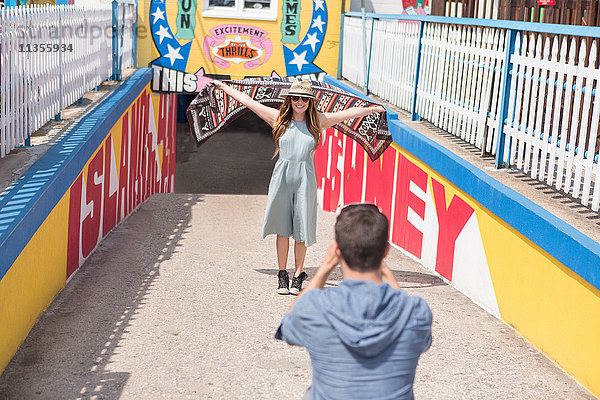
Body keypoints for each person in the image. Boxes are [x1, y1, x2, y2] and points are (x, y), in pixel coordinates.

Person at [210, 79, 385, 295]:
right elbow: (248, 101)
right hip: (282, 178)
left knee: (301, 230)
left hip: (305, 179)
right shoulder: (277, 119)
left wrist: (372, 108)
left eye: (304, 98)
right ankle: (282, 274)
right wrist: (224, 87)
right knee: (282, 229)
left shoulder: (318, 121)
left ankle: (298, 275)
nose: (299, 102)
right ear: (290, 100)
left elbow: (348, 114)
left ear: (310, 101)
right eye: (296, 98)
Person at [275, 204, 433, 400]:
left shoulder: (316, 307)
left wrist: (325, 267)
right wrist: (377, 257)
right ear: (385, 251)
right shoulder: (415, 313)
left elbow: (289, 323)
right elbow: (404, 308)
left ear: (337, 251)